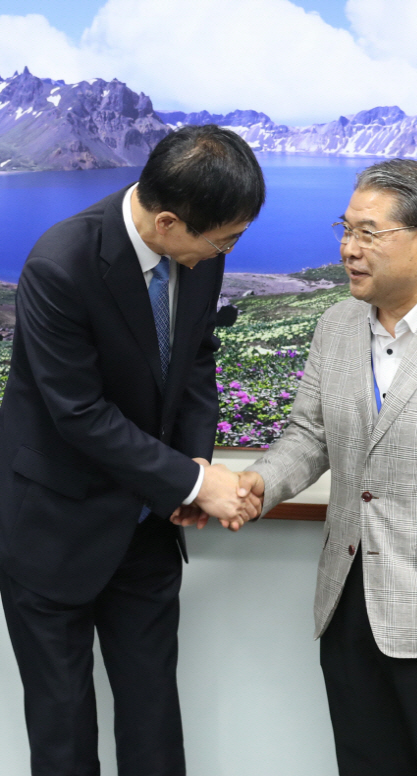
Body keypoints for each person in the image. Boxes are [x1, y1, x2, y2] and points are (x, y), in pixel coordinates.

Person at [230, 159, 417, 776]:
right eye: (344, 230)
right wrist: (254, 486)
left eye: (368, 233)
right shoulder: (335, 326)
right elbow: (308, 435)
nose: (349, 249)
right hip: (348, 607)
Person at [0, 124, 264, 776]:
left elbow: (197, 364)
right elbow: (79, 414)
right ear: (169, 222)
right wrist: (194, 484)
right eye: (224, 239)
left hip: (146, 527)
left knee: (153, 725)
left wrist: (193, 469)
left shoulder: (201, 251)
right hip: (53, 532)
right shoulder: (60, 262)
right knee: (63, 737)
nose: (229, 250)